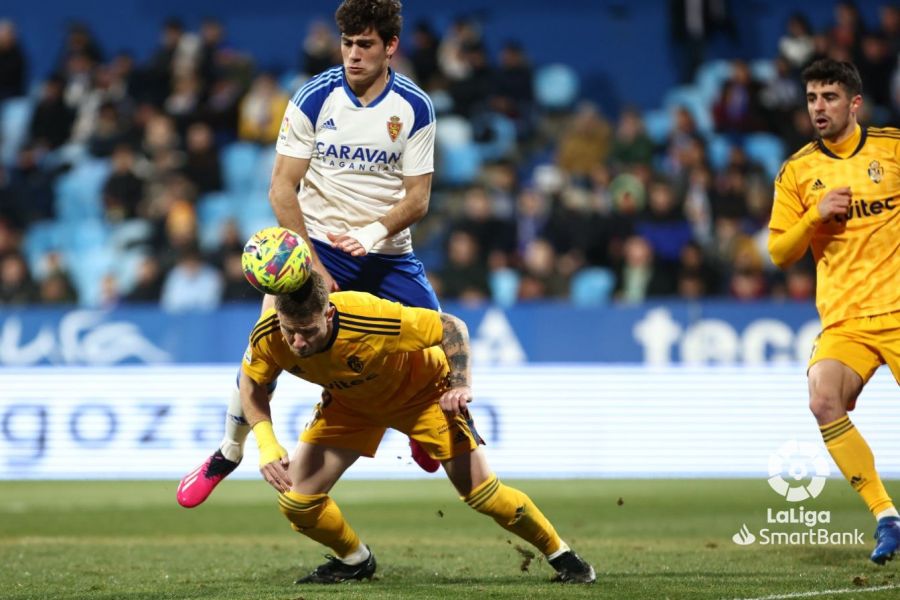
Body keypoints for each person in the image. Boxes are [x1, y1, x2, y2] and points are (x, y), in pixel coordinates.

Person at [178, 0, 442, 508]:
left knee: (439, 342)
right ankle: (229, 451)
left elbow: (418, 199)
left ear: (390, 46)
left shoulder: (414, 107)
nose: (353, 55)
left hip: (386, 253)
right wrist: (314, 263)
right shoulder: (314, 97)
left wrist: (370, 234)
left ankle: (422, 426)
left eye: (365, 45)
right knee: (264, 347)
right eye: (347, 43)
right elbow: (281, 188)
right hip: (317, 245)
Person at [242, 268, 596, 584]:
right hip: (352, 406)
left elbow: (451, 327)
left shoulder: (368, 317)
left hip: (424, 396)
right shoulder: (269, 333)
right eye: (290, 331)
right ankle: (355, 561)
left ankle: (562, 555)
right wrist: (266, 443)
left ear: (329, 313)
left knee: (482, 494)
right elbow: (251, 383)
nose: (297, 342)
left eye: (307, 331)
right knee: (298, 502)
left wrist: (459, 384)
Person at [767, 58, 900, 565]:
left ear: (854, 102)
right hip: (845, 322)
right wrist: (813, 217)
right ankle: (887, 517)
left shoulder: (892, 149)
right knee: (823, 400)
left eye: (829, 97)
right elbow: (780, 254)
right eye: (811, 99)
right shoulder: (798, 171)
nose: (818, 108)